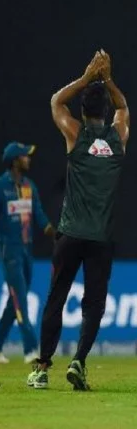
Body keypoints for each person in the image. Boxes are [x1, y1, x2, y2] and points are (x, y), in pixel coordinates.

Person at [27, 50, 128, 390]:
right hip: (100, 239)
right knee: (94, 305)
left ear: (83, 113)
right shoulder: (118, 138)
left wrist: (86, 78)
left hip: (70, 234)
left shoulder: (75, 134)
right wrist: (108, 79)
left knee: (56, 299)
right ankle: (79, 361)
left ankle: (42, 369)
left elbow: (56, 101)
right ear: (107, 113)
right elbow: (124, 108)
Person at [0, 143, 55, 364]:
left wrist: (54, 233)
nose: (28, 159)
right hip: (10, 251)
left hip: (27, 251)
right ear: (15, 160)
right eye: (25, 156)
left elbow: (39, 215)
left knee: (13, 304)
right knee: (21, 300)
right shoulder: (2, 186)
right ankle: (31, 349)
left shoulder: (28, 186)